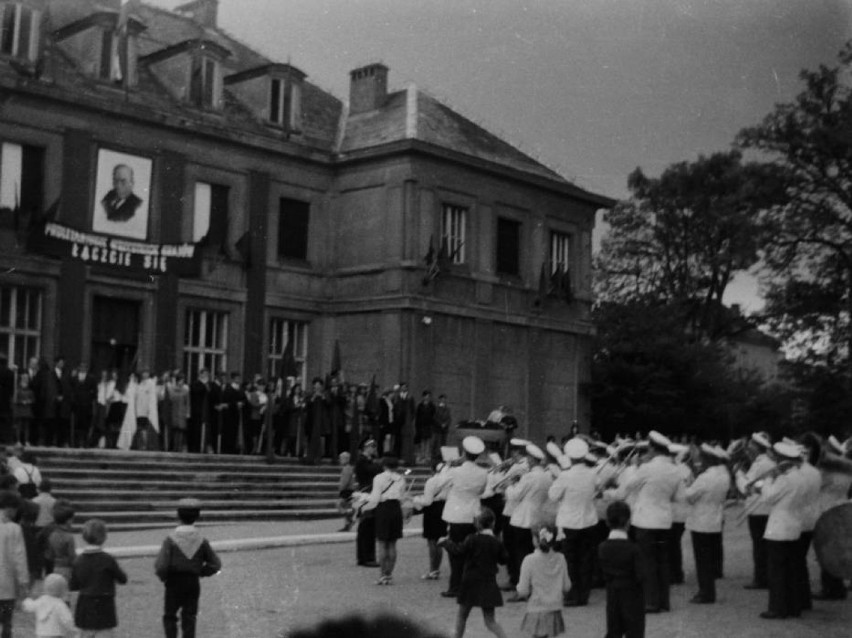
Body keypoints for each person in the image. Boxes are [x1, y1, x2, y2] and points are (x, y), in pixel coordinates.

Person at [607, 431, 684, 613]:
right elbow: (679, 497)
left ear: (652, 449)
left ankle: (651, 601)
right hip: (665, 520)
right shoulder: (675, 469)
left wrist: (610, 492)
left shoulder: (647, 468)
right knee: (663, 562)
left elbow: (624, 491)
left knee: (648, 563)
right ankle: (664, 601)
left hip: (645, 521)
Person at [155, 498, 222, 638]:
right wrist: (201, 572)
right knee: (190, 616)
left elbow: (161, 565)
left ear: (178, 516)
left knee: (170, 615)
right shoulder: (201, 540)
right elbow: (215, 564)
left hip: (174, 582)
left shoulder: (170, 540)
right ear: (197, 517)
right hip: (192, 582)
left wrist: (164, 576)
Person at [439, 507, 510, 638]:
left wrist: (445, 543)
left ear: (476, 523)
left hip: (470, 582)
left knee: (462, 615)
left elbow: (458, 551)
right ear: (493, 523)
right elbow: (504, 559)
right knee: (490, 621)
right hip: (488, 583)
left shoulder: (471, 539)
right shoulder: (496, 542)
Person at [757, 441, 807, 620]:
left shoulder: (784, 478)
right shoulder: (801, 476)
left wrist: (769, 479)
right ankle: (793, 606)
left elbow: (768, 498)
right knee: (791, 570)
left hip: (779, 528)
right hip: (794, 526)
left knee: (776, 571)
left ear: (782, 459)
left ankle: (777, 608)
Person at [434, 435, 488, 598]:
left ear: (464, 453)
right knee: (470, 552)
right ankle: (470, 585)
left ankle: (455, 586)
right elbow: (480, 492)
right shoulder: (482, 472)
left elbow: (439, 483)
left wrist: (447, 467)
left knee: (455, 553)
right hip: (473, 514)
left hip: (456, 514)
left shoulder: (455, 471)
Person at [548, 437, 598, 607]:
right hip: (589, 520)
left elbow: (553, 496)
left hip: (569, 521)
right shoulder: (593, 474)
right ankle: (584, 595)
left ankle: (571, 594)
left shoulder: (565, 475)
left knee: (570, 559)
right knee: (586, 559)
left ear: (569, 456)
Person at [504, 443, 553, 602]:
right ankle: (533, 586)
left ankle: (522, 589)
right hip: (537, 517)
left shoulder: (529, 476)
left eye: (529, 458)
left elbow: (515, 496)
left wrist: (510, 485)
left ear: (532, 460)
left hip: (522, 518)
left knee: (521, 556)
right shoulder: (546, 475)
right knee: (534, 554)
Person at [683, 444, 730, 604]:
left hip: (701, 521)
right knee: (709, 558)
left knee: (702, 560)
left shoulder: (705, 477)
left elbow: (689, 496)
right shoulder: (724, 475)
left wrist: (687, 485)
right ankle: (708, 591)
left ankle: (706, 592)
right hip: (715, 518)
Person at [70, 518, 128, 637]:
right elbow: (122, 579)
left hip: (85, 603)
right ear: (104, 537)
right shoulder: (108, 560)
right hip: (104, 604)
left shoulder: (78, 561)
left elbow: (73, 585)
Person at [598, 501, 645, 638]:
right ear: (628, 522)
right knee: (635, 630)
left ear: (607, 522)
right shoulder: (633, 548)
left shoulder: (602, 547)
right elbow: (641, 574)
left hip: (612, 591)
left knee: (613, 629)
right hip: (632, 593)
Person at [736, 432, 775, 590]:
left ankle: (761, 578)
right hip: (762, 508)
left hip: (759, 509)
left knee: (760, 547)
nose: (748, 448)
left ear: (757, 447)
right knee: (762, 546)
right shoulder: (764, 461)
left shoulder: (760, 463)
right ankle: (763, 576)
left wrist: (738, 473)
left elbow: (745, 487)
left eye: (751, 445)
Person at [517, 524, 570, 638]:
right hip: (554, 607)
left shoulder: (529, 560)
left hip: (537, 607)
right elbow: (567, 586)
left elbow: (523, 590)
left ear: (536, 540)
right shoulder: (561, 558)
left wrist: (523, 593)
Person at [364, 456, 406, 585]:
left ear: (384, 466)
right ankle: (389, 574)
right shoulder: (401, 479)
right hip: (396, 508)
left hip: (383, 509)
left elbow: (375, 498)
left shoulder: (379, 478)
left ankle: (382, 574)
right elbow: (402, 497)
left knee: (382, 543)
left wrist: (363, 497)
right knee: (392, 543)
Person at [413, 462, 450, 580]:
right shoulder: (449, 480)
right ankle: (436, 569)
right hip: (443, 507)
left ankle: (432, 569)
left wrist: (415, 499)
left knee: (432, 541)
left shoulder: (432, 481)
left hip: (432, 510)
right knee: (439, 540)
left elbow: (427, 501)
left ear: (433, 470)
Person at [0, 490, 29, 638]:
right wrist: (23, 581)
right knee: (6, 622)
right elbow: (19, 557)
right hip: (6, 584)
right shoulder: (14, 529)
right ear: (10, 508)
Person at [354, 438, 382, 567]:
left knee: (368, 526)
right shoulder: (362, 461)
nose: (374, 449)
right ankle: (367, 557)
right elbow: (373, 471)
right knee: (367, 526)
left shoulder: (368, 461)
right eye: (372, 446)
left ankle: (364, 556)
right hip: (366, 494)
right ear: (366, 447)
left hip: (369, 493)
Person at [22, 573, 75, 638]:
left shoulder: (41, 600)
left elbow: (30, 606)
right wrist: (73, 629)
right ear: (62, 590)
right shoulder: (59, 604)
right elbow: (67, 620)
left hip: (41, 634)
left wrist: (27, 600)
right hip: (56, 634)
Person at [45, 499, 76, 582]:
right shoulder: (69, 537)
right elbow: (72, 556)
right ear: (68, 520)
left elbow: (50, 555)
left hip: (56, 567)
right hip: (67, 568)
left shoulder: (52, 535)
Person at [415, 391, 436, 465]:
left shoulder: (432, 406)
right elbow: (417, 417)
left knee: (428, 442)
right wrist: (417, 426)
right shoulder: (420, 405)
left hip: (429, 426)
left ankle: (427, 456)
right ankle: (422, 456)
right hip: (421, 426)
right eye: (426, 396)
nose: (427, 397)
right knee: (422, 442)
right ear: (423, 397)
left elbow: (434, 416)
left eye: (428, 396)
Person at [337, 452, 356, 532]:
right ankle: (347, 524)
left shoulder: (346, 468)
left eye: (341, 458)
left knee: (339, 505)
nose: (340, 460)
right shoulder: (348, 468)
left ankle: (350, 518)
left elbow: (345, 481)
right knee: (346, 506)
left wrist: (340, 488)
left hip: (346, 490)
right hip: (349, 489)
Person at [432, 394, 452, 465]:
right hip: (438, 429)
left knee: (443, 442)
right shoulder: (436, 408)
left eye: (444, 399)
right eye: (442, 399)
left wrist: (445, 424)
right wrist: (441, 424)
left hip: (445, 429)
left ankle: (442, 456)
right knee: (437, 442)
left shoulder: (447, 408)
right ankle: (436, 456)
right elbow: (435, 418)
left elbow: (449, 418)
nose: (443, 400)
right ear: (439, 400)